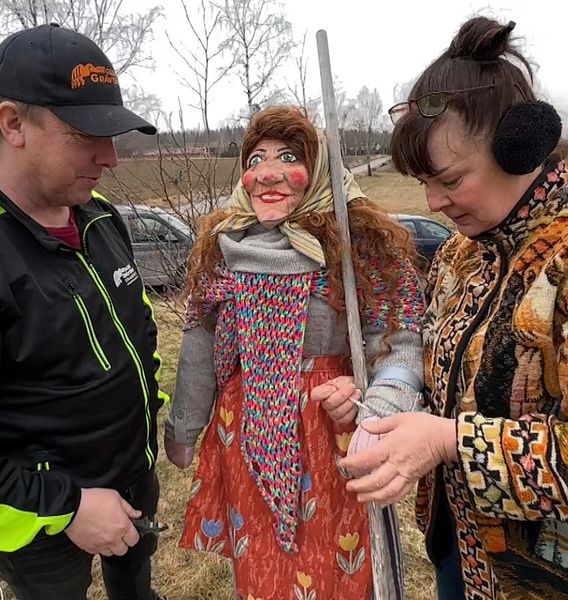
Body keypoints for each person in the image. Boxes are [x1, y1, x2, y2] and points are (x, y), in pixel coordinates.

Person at [314, 16, 568, 600]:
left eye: (450, 179)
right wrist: (375, 403)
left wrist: (450, 441)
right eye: (425, 182)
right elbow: (439, 379)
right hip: (460, 550)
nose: (433, 203)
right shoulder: (459, 257)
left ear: (520, 147)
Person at [164, 105, 425, 599]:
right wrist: (184, 427)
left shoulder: (355, 244)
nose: (268, 171)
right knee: (262, 568)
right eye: (256, 157)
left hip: (332, 434)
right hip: (246, 430)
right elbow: (199, 342)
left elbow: (398, 335)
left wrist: (373, 398)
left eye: (288, 156)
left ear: (320, 169)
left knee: (335, 564)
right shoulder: (225, 245)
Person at [0, 24, 168, 600]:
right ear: (13, 123)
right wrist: (69, 507)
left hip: (134, 477)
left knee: (137, 585)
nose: (109, 158)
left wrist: (147, 416)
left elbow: (138, 326)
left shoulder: (100, 215)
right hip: (40, 524)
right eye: (86, 134)